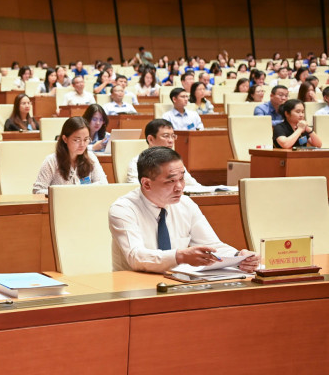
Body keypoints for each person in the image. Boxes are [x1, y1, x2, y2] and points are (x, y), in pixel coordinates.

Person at [110, 147, 259, 273]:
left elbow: (212, 246)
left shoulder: (186, 204)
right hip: (133, 287)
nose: (180, 187)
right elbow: (136, 257)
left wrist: (238, 256)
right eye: (171, 181)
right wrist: (180, 256)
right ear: (147, 184)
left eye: (182, 179)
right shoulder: (123, 209)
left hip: (176, 282)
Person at [33, 117, 107, 194]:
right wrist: (64, 193)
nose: (82, 144)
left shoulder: (90, 157)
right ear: (65, 139)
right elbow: (37, 190)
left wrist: (79, 190)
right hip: (61, 204)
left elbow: (103, 184)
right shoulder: (52, 161)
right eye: (77, 140)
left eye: (86, 139)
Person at [126, 119, 201, 186]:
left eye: (173, 136)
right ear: (151, 139)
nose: (171, 141)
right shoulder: (137, 162)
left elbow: (193, 185)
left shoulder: (175, 161)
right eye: (166, 136)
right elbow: (134, 188)